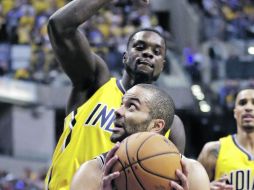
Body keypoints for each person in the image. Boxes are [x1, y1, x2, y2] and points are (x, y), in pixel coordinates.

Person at [45, 0, 186, 189]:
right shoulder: (95, 82)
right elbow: (59, 26)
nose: (148, 54)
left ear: (163, 66)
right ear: (125, 56)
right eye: (139, 47)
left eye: (156, 51)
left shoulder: (171, 123)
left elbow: (170, 179)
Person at [71, 84, 210, 190]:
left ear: (157, 126)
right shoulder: (92, 172)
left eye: (131, 106)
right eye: (121, 104)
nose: (117, 111)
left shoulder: (192, 173)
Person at [198, 88, 254, 190]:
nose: (248, 107)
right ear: (235, 112)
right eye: (243, 103)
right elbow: (192, 186)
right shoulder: (213, 150)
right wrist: (206, 188)